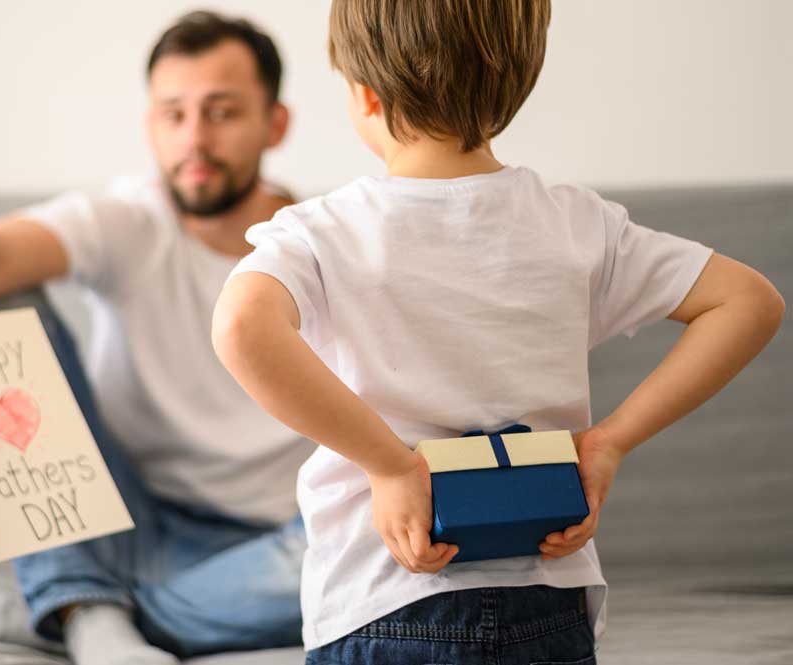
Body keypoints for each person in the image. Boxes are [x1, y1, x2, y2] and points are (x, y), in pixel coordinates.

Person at [211, 1, 786, 664]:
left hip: (382, 594)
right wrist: (608, 444)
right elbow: (750, 301)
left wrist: (390, 465)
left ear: (365, 95)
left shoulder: (324, 233)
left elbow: (241, 325)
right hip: (548, 599)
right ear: (516, 83)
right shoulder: (575, 223)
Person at [0, 11, 311, 665]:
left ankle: (71, 607)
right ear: (150, 125)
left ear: (275, 124)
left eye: (221, 113)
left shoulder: (322, 242)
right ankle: (93, 605)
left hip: (271, 543)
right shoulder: (129, 220)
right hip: (115, 516)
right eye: (173, 114)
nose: (194, 138)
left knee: (370, 553)